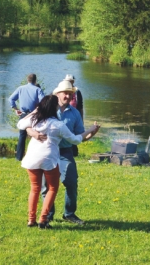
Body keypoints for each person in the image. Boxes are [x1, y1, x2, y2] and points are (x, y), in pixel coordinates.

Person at [17, 95, 100, 228]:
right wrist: (90, 130)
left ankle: (31, 220)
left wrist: (35, 111)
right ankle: (43, 220)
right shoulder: (58, 125)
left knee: (35, 188)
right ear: (55, 107)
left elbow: (20, 124)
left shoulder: (35, 120)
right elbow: (75, 139)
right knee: (53, 188)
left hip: (32, 158)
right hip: (48, 159)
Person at [28, 80, 90, 225]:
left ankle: (69, 213)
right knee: (45, 186)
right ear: (57, 94)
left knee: (71, 181)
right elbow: (26, 124)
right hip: (47, 151)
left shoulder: (75, 113)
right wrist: (34, 134)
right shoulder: (47, 108)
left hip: (65, 152)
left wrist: (91, 132)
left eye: (71, 94)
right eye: (66, 94)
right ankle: (47, 215)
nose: (68, 97)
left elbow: (79, 135)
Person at [9, 73, 45, 161]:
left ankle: (19, 157)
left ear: (27, 80)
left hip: (23, 115)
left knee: (22, 136)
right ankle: (35, 156)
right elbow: (43, 102)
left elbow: (11, 99)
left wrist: (15, 109)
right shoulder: (38, 90)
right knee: (35, 135)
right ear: (35, 80)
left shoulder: (21, 88)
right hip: (34, 115)